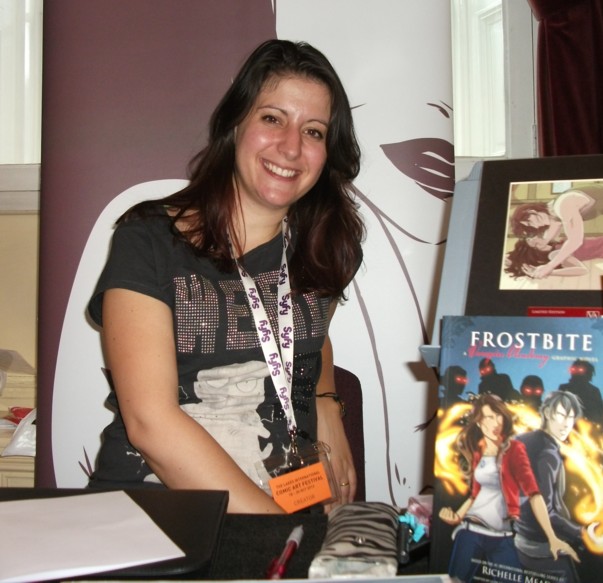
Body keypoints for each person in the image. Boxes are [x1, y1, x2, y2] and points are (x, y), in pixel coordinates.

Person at [86, 39, 365, 514]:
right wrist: (280, 533)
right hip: (158, 505)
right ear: (235, 125)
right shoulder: (149, 241)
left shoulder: (326, 248)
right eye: (272, 119)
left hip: (288, 493)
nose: (291, 146)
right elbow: (150, 423)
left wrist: (325, 399)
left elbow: (308, 335)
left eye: (313, 131)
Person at [438, 394, 577, 583]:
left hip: (501, 536)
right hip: (471, 531)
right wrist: (456, 516)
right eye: (489, 417)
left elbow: (534, 494)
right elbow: (475, 495)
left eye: (499, 416)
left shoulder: (514, 449)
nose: (496, 422)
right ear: (478, 422)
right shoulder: (479, 451)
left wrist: (551, 537)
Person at [515, 392, 588, 583]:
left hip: (520, 539)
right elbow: (545, 511)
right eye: (561, 415)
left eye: (571, 418)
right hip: (542, 546)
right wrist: (582, 533)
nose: (566, 424)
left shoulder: (520, 439)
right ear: (547, 413)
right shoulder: (548, 453)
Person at [510, 185, 603, 279]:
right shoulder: (552, 212)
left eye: (529, 221)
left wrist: (549, 267)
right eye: (530, 226)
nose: (535, 225)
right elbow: (554, 227)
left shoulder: (562, 205)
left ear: (529, 210)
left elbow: (575, 240)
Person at [504, 234, 603, 280]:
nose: (534, 238)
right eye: (529, 240)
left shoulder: (556, 244)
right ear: (531, 248)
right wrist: (548, 272)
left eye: (533, 236)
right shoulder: (555, 254)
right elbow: (582, 270)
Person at [558, 360, 603, 427]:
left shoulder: (594, 391)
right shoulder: (564, 388)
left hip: (589, 426)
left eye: (580, 370)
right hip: (568, 425)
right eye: (574, 369)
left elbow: (599, 411)